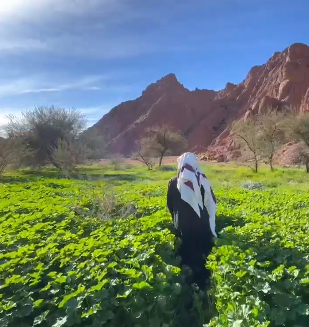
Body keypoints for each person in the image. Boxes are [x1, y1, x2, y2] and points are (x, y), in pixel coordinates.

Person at [166, 152, 217, 289]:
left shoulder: (173, 182)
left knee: (187, 252)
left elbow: (170, 205)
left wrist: (176, 218)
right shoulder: (202, 180)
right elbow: (211, 201)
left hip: (183, 225)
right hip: (202, 224)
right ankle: (205, 281)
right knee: (203, 251)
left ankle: (189, 283)